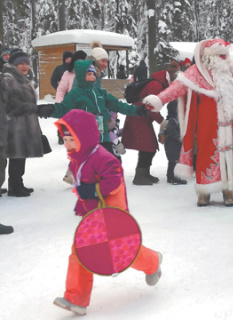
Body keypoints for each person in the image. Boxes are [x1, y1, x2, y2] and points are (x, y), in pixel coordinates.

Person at [52, 109, 162, 316]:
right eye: (65, 140)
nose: (67, 145)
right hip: (95, 214)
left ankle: (153, 261)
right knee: (81, 251)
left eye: (71, 139)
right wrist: (83, 202)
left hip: (112, 213)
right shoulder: (77, 157)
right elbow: (81, 183)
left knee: (125, 251)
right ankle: (75, 299)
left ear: (83, 137)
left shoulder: (103, 157)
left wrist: (92, 190)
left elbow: (114, 179)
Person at [143, 39, 233, 206]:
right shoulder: (195, 73)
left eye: (226, 55)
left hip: (230, 125)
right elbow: (176, 88)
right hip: (206, 127)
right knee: (206, 156)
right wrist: (159, 99)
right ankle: (204, 191)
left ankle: (228, 190)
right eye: (221, 56)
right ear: (210, 57)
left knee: (230, 156)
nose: (225, 59)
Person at [37, 60, 147, 156]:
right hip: (85, 141)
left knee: (106, 168)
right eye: (88, 74)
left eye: (93, 74)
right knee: (88, 171)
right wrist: (50, 109)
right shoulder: (75, 94)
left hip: (103, 138)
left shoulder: (100, 93)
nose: (92, 77)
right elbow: (63, 108)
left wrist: (137, 110)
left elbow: (118, 105)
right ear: (81, 76)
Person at [121, 61, 178, 186]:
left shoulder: (158, 83)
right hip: (139, 116)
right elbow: (150, 107)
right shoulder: (156, 85)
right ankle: (139, 175)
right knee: (148, 146)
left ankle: (144, 172)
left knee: (149, 146)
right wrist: (162, 122)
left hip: (141, 117)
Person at [2, 51, 44, 197]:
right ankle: (14, 186)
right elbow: (9, 103)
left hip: (23, 124)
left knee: (20, 156)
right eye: (21, 63)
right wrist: (32, 108)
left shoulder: (23, 79)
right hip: (13, 125)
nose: (25, 66)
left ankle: (17, 183)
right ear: (14, 64)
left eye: (26, 63)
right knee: (15, 155)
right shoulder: (9, 78)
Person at [55, 50, 88, 147]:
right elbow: (61, 90)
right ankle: (76, 160)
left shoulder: (89, 73)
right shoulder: (68, 74)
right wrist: (59, 105)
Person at [160, 100, 187, 185]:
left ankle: (170, 177)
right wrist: (180, 137)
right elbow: (172, 132)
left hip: (172, 144)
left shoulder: (172, 118)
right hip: (173, 144)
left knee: (173, 161)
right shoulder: (173, 120)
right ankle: (174, 177)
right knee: (174, 161)